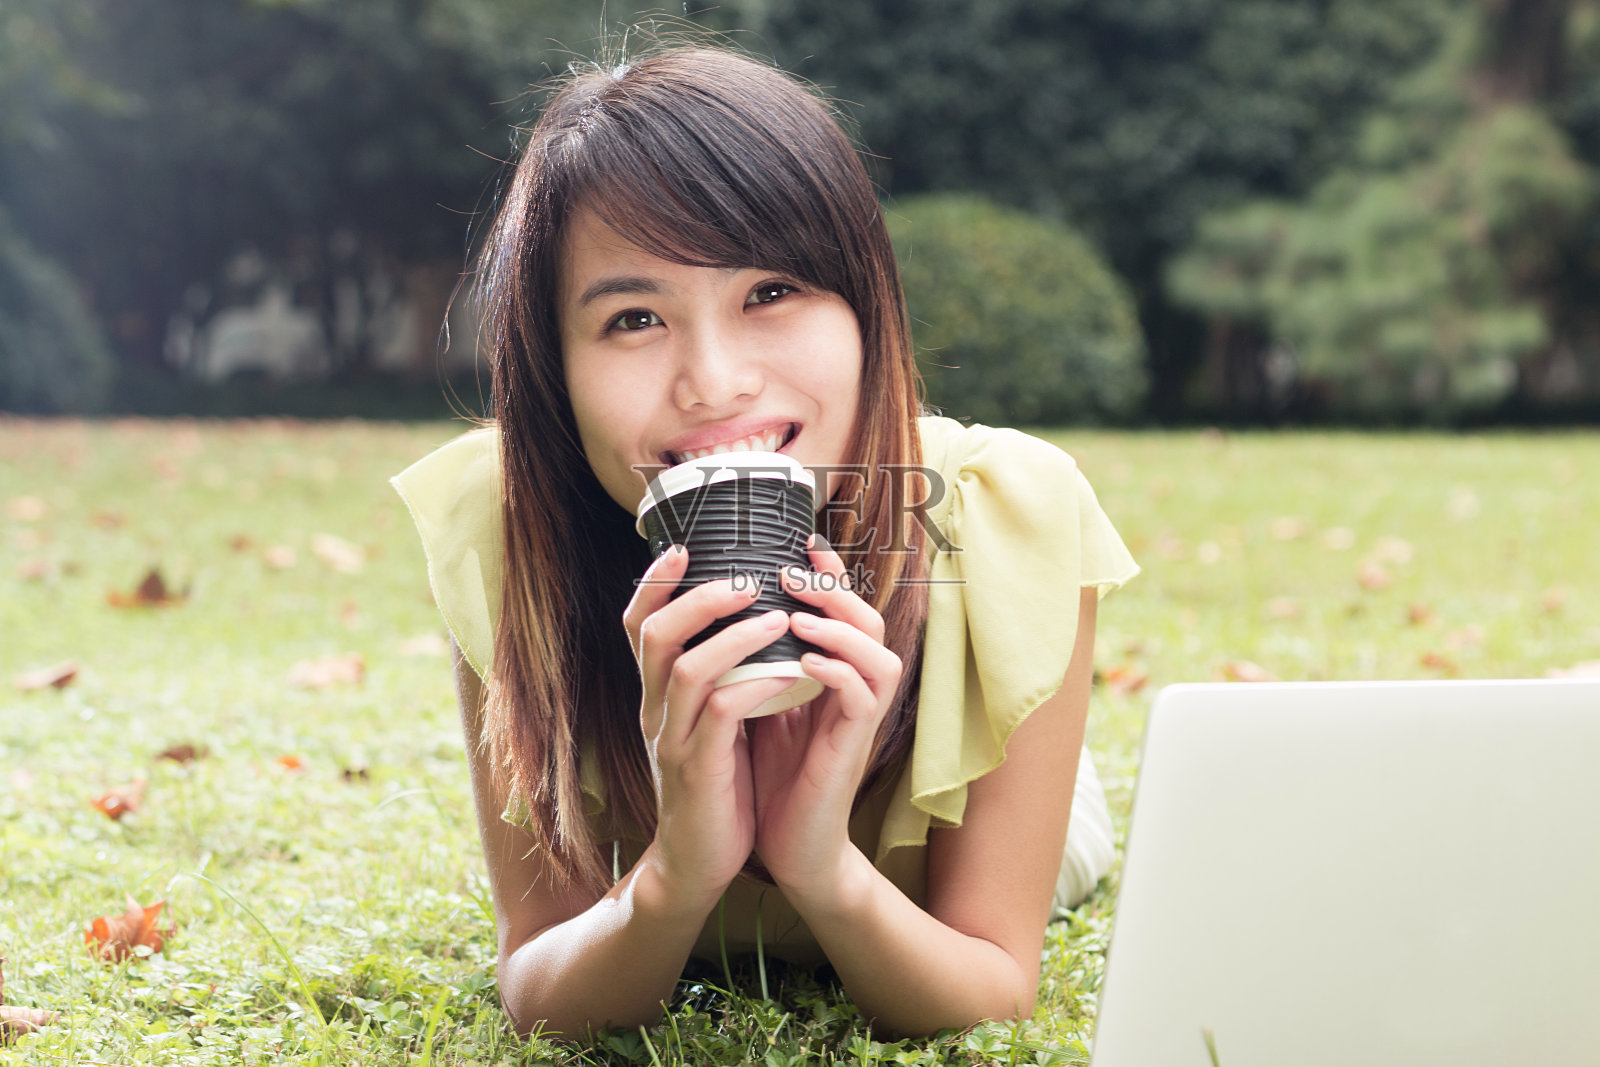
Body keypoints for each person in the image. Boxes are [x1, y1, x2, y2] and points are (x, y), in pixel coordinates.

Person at [392, 44, 1139, 1041]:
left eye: (770, 292)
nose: (714, 380)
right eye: (634, 316)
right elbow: (539, 981)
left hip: (979, 769)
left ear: (864, 307)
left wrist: (820, 860)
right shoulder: (509, 525)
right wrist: (674, 874)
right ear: (553, 367)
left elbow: (991, 983)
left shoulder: (1004, 512)